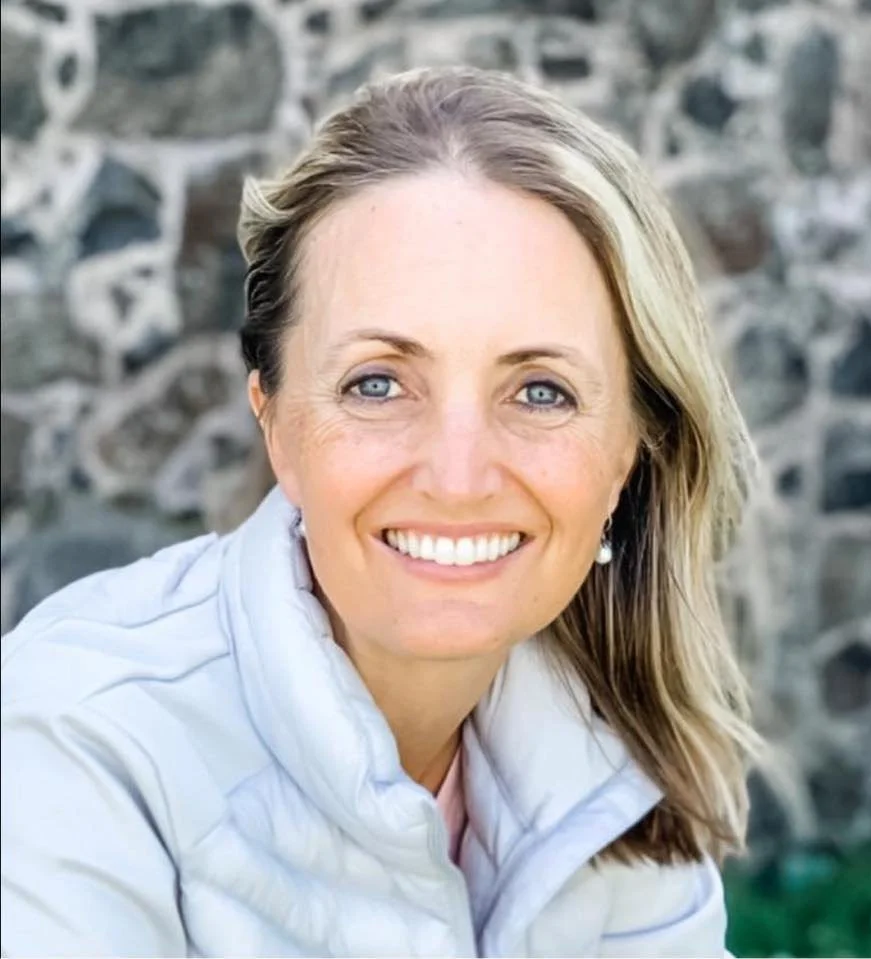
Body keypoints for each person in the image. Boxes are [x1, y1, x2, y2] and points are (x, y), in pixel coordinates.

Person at [1, 66, 761, 957]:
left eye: (541, 391)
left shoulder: (612, 777)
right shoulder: (73, 744)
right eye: (377, 382)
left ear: (630, 451)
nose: (458, 475)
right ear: (275, 421)